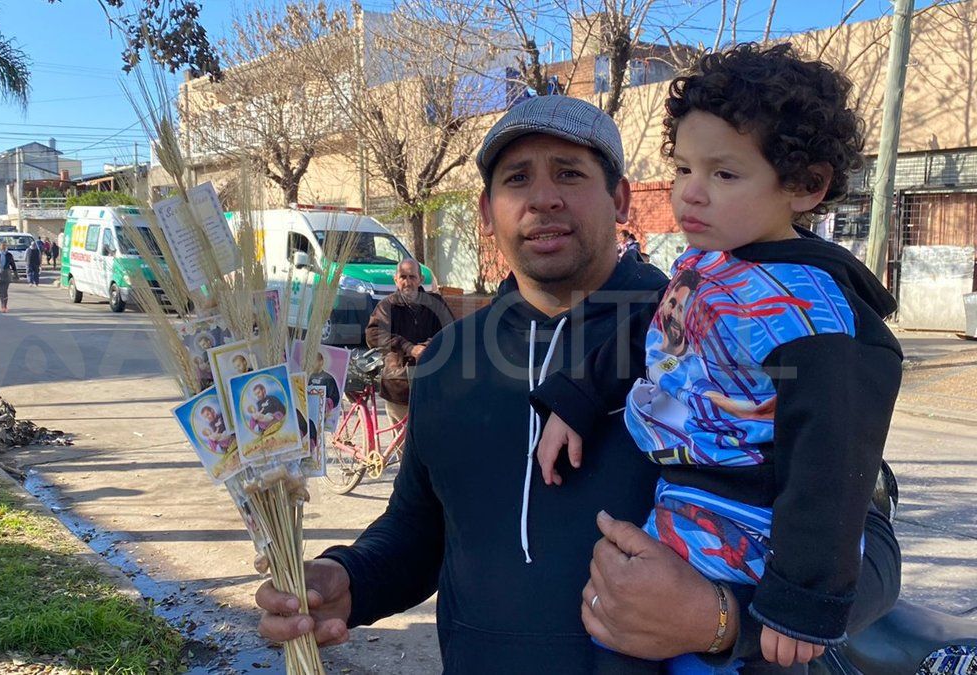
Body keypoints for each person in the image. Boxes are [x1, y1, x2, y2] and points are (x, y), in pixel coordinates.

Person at [254, 94, 900, 671]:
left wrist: (722, 619)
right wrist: (348, 578)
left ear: (620, 199)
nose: (543, 198)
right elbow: (418, 535)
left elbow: (871, 549)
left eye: (569, 173)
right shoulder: (447, 360)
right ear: (486, 211)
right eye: (516, 179)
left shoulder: (701, 325)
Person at [532, 44, 902, 671]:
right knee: (613, 637)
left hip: (754, 530)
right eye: (683, 170)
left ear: (806, 186)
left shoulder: (812, 313)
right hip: (683, 509)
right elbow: (646, 336)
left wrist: (799, 602)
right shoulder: (711, 263)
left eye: (724, 174)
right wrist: (575, 400)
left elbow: (833, 463)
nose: (690, 195)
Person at [363, 258, 454, 423]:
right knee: (402, 444)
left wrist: (429, 346)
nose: (407, 282)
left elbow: (451, 331)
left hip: (432, 380)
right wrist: (408, 347)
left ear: (421, 279)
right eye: (403, 277)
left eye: (412, 277)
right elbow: (373, 334)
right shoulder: (386, 306)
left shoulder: (436, 303)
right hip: (399, 382)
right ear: (396, 280)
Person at [0, 241, 18, 313]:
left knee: (5, 291)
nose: (4, 247)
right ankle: (2, 305)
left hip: (6, 274)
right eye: (2, 246)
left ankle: (5, 306)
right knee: (0, 292)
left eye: (5, 246)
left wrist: (16, 275)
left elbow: (13, 265)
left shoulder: (9, 255)